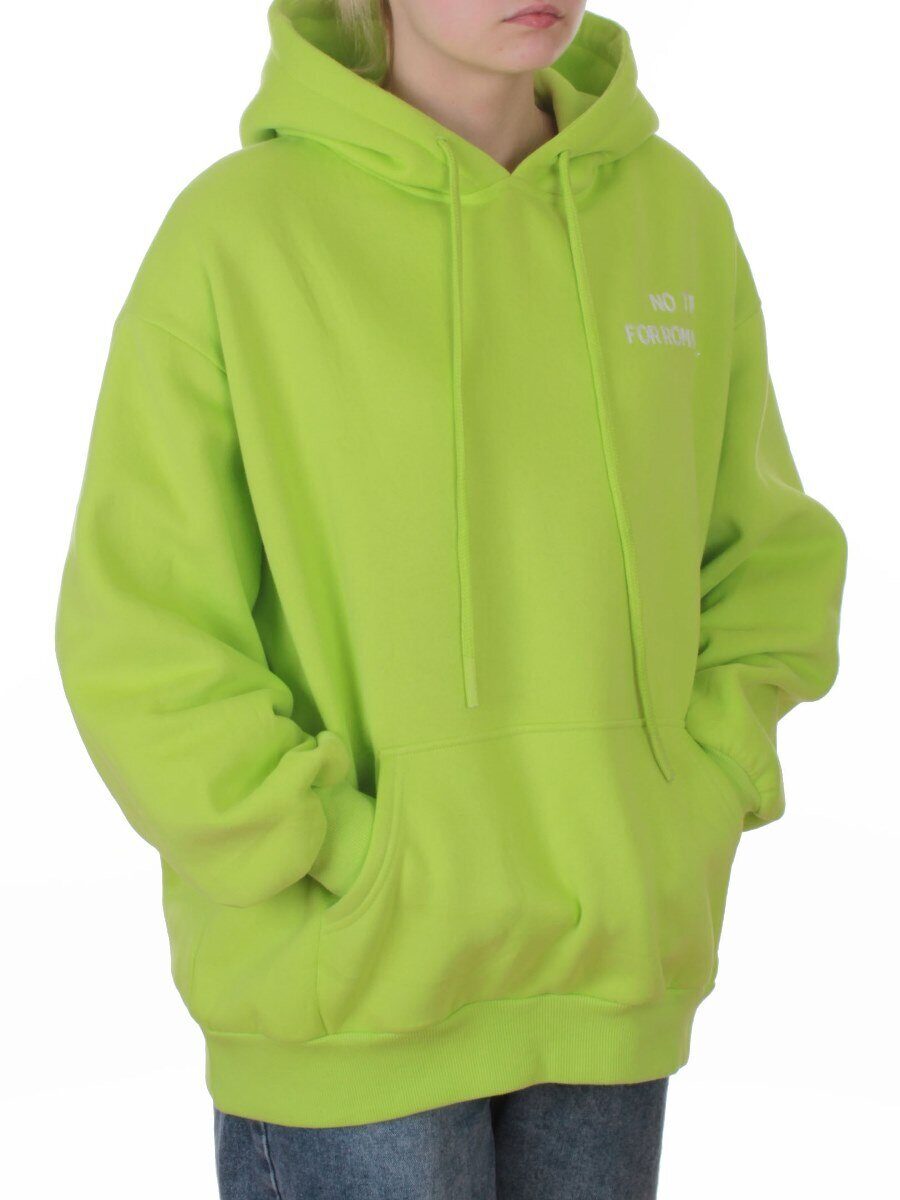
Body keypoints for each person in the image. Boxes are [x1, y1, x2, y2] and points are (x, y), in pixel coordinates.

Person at [54, 1, 848, 1196]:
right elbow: (141, 631)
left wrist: (693, 793)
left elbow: (768, 558)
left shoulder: (675, 218)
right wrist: (336, 852)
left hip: (612, 984)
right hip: (349, 999)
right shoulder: (237, 236)